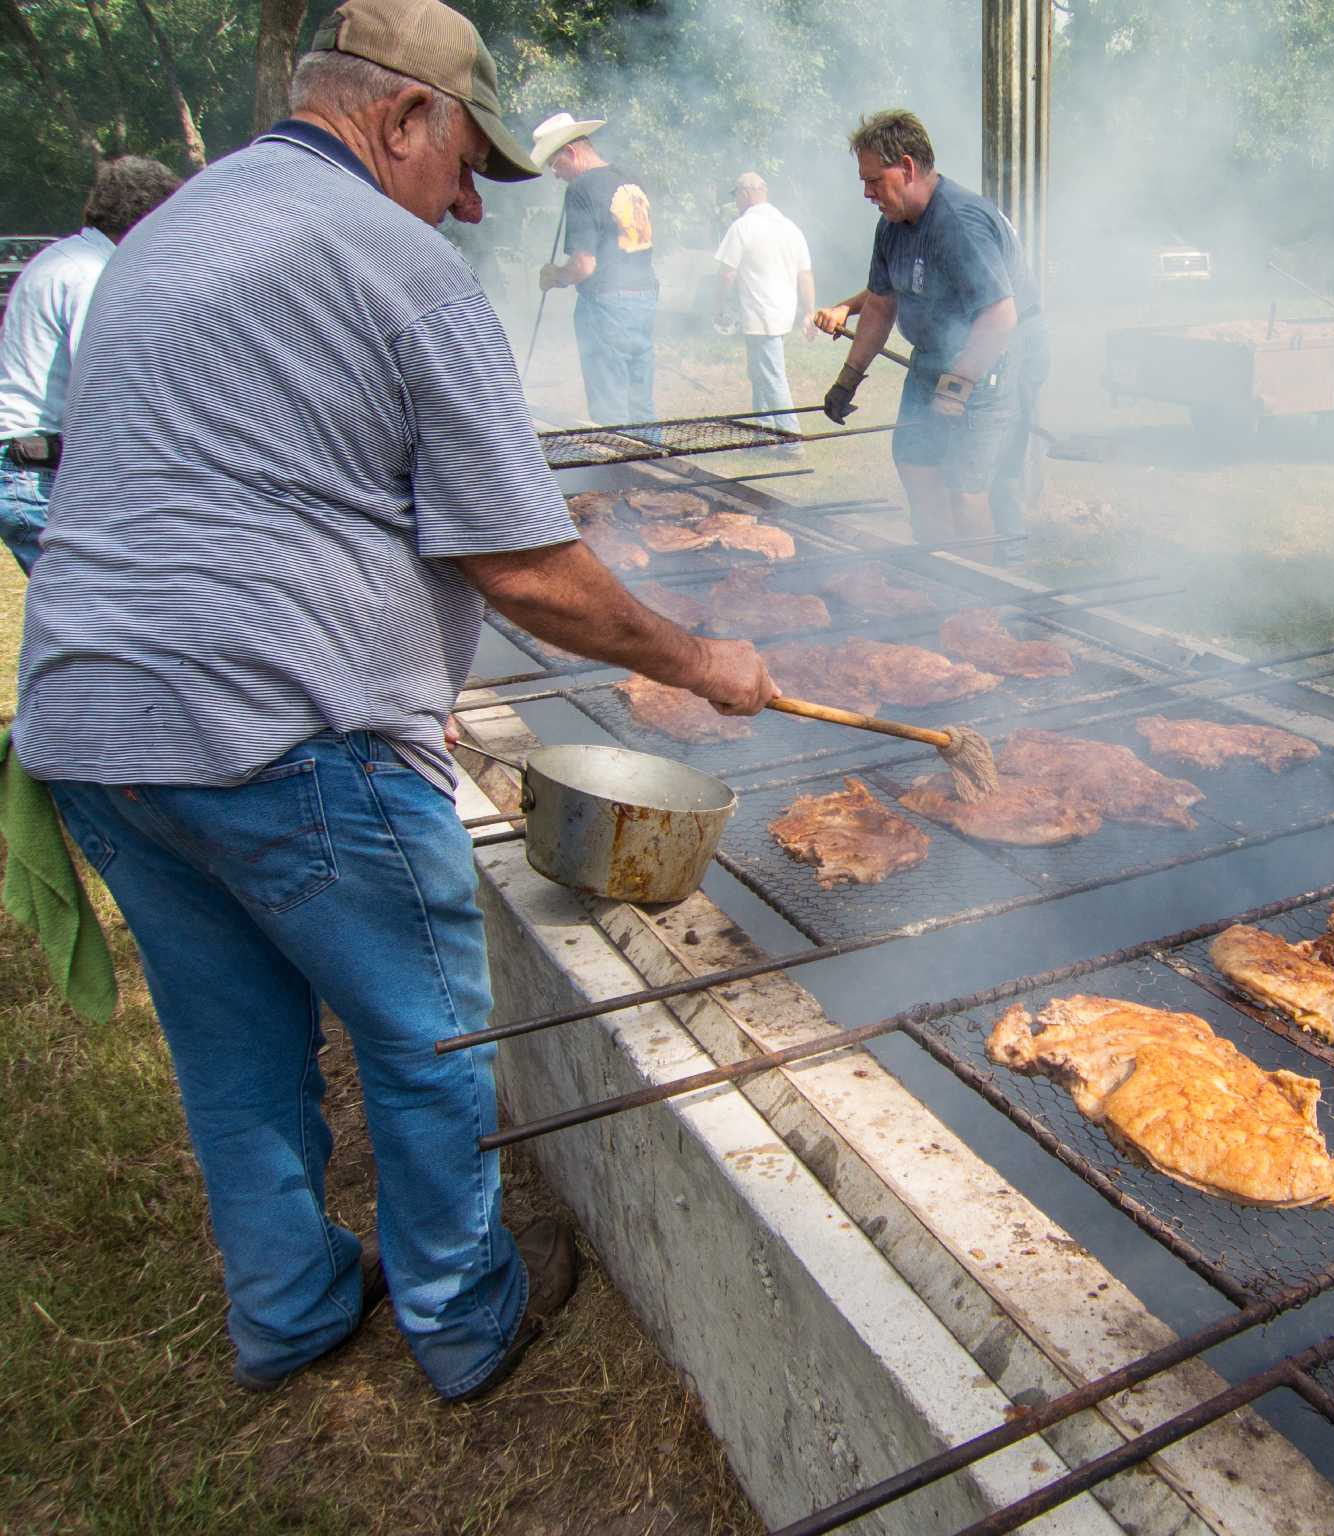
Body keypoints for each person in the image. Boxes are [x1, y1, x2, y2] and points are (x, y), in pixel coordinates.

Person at [11, 0, 776, 1404]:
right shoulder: (400, 267)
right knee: (431, 1039)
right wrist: (699, 660)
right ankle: (466, 1321)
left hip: (89, 723)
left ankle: (291, 1311)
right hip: (285, 729)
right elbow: (527, 568)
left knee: (231, 1042)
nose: (474, 201)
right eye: (467, 158)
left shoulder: (173, 229)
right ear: (400, 115)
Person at [811, 109, 1049, 549]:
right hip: (931, 360)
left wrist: (955, 388)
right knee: (917, 467)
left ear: (906, 167)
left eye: (873, 180)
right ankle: (935, 573)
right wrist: (847, 381)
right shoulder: (891, 228)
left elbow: (1000, 317)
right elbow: (881, 306)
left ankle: (983, 598)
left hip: (987, 362)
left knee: (966, 489)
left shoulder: (959, 223)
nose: (866, 192)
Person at [0, 156, 181, 573]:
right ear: (147, 220)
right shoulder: (93, 274)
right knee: (101, 603)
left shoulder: (63, 258)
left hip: (28, 465)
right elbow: (107, 380)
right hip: (35, 470)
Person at [533, 112, 658, 426]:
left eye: (556, 164)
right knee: (639, 402)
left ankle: (617, 473)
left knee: (610, 409)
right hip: (644, 297)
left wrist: (555, 277)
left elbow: (584, 265)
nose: (556, 175)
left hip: (606, 306)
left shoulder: (581, 189)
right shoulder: (630, 179)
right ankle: (653, 468)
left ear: (571, 153)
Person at [713, 171, 814, 453]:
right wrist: (808, 311)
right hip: (781, 313)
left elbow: (726, 273)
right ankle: (762, 435)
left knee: (771, 376)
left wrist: (718, 308)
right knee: (759, 375)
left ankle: (792, 442)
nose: (736, 203)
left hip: (760, 313)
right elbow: (805, 274)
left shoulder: (743, 227)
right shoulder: (790, 227)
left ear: (745, 195)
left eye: (736, 197)